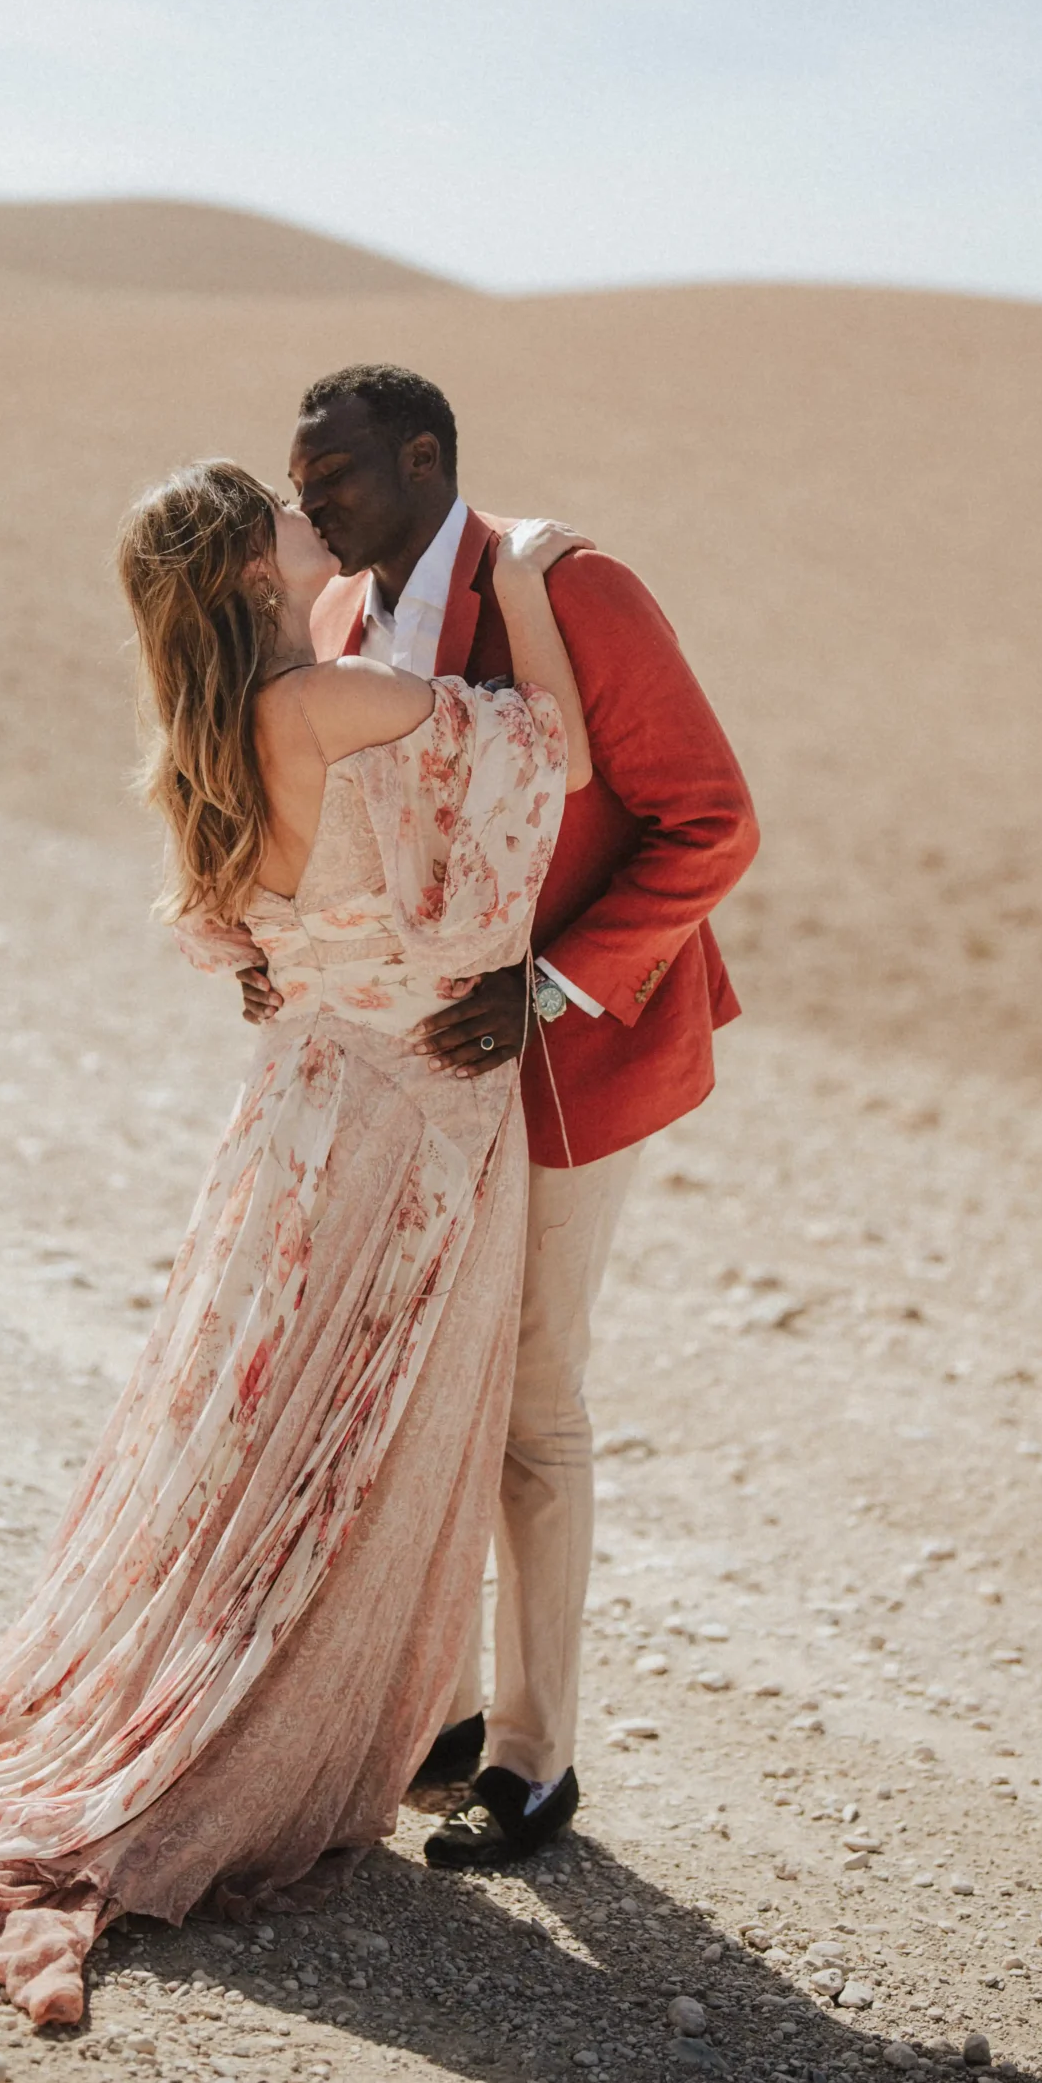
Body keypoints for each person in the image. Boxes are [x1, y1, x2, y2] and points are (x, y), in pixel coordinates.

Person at [0, 458, 594, 2025]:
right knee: (360, 1425)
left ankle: (313, 1695)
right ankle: (277, 1727)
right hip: (409, 1119)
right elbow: (545, 757)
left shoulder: (210, 732)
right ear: (244, 573)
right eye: (272, 507)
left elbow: (239, 932)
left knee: (261, 1417)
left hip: (293, 1117)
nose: (305, 508)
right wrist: (535, 584)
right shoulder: (332, 697)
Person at [238, 363, 758, 1871]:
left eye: (331, 474)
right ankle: (440, 1718)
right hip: (409, 1088)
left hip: (565, 1068)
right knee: (416, 1394)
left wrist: (543, 995)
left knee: (532, 1407)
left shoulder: (568, 584)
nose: (312, 502)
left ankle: (535, 1762)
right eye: (298, 479)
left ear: (420, 458)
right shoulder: (335, 620)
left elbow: (708, 823)